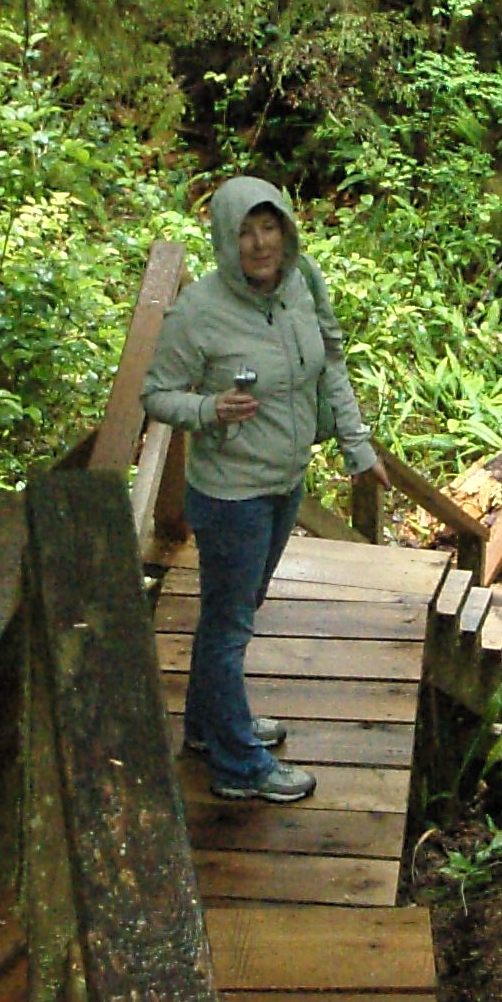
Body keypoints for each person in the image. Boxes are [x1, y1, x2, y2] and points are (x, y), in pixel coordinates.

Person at [141, 175, 378, 802]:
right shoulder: (199, 311)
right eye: (245, 232)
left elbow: (330, 364)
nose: (260, 243)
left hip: (284, 481)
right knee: (229, 627)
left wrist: (357, 446)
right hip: (230, 495)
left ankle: (208, 726)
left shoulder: (303, 284)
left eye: (269, 227)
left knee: (231, 615)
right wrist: (209, 409)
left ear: (286, 229)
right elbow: (156, 394)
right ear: (226, 239)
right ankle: (239, 765)